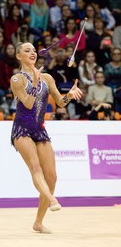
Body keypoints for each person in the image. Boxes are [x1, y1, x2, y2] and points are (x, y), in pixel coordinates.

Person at [10, 42, 83, 234]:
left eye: (34, 50)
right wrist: (33, 83)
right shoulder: (17, 80)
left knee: (52, 177)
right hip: (22, 129)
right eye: (27, 51)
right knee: (35, 169)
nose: (32, 53)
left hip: (39, 130)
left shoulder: (47, 78)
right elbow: (27, 104)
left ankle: (38, 222)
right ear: (19, 56)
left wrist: (70, 95)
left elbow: (60, 103)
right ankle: (52, 200)